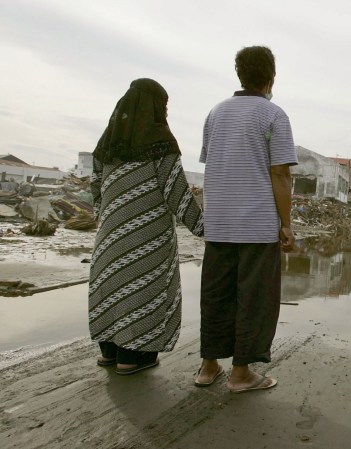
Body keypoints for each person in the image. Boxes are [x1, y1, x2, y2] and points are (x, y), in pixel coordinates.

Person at [196, 46, 297, 392]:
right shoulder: (274, 115)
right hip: (256, 225)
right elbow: (281, 174)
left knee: (216, 294)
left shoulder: (216, 113)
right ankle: (240, 374)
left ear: (239, 75)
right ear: (271, 78)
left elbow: (212, 163)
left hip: (219, 222)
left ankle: (208, 366)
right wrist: (286, 224)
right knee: (254, 298)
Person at [89, 78, 204, 375]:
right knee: (142, 292)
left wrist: (109, 220)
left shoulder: (106, 146)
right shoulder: (161, 145)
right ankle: (132, 357)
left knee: (113, 287)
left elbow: (96, 190)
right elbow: (177, 196)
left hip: (109, 236)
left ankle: (109, 352)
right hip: (147, 238)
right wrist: (206, 228)